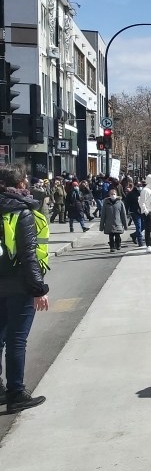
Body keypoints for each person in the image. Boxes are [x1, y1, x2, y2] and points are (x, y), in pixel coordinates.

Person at [0, 164, 49, 413]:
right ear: (20, 184)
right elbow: (28, 255)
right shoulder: (22, 211)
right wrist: (39, 289)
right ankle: (16, 392)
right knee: (16, 341)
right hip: (18, 285)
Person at [99, 188, 128, 252]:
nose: (113, 195)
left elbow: (123, 214)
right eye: (111, 194)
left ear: (116, 195)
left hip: (118, 223)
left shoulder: (120, 203)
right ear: (109, 195)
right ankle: (112, 247)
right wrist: (101, 226)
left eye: (114, 194)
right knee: (111, 236)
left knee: (117, 235)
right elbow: (103, 215)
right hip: (109, 223)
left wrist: (125, 225)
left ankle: (118, 244)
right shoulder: (106, 203)